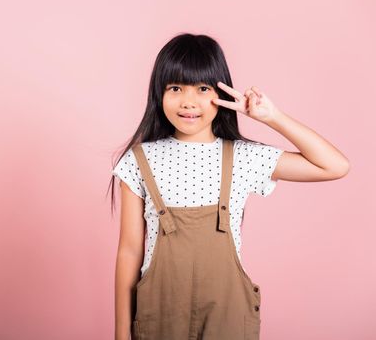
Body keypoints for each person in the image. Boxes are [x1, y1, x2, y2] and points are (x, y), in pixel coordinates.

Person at [109, 33, 349, 340]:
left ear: (220, 92)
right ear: (159, 93)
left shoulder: (243, 156)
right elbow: (129, 251)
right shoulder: (139, 159)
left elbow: (334, 166)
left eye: (203, 88)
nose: (189, 101)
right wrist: (120, 332)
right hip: (159, 315)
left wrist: (271, 117)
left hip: (227, 316)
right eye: (175, 88)